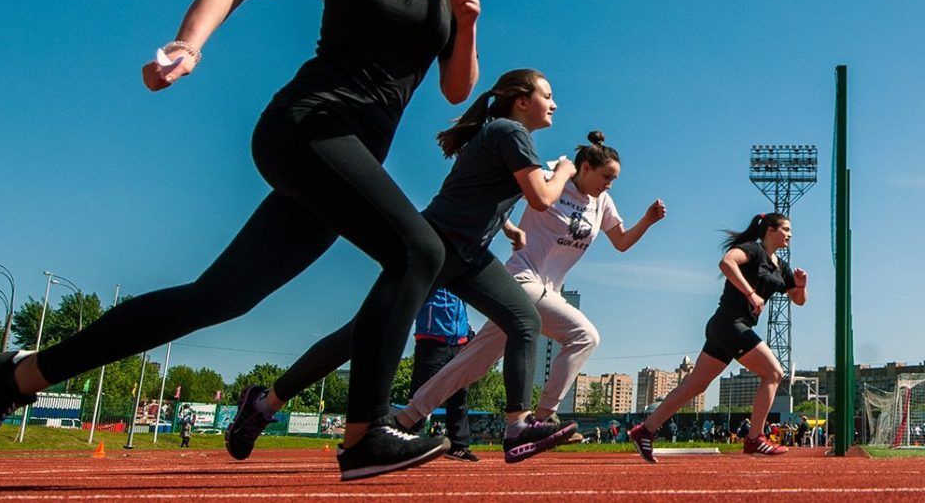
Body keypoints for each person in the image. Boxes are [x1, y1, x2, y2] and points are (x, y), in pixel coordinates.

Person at [0, 0, 484, 481]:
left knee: (218, 299)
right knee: (417, 250)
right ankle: (365, 435)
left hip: (351, 157)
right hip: (306, 128)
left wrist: (468, 24)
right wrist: (189, 45)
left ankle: (17, 377)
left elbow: (455, 90)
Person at [227, 70, 580, 471]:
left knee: (523, 321)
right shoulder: (510, 132)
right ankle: (264, 402)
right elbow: (541, 198)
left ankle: (517, 427)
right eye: (547, 95)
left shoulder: (503, 133)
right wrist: (565, 173)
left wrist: (508, 228)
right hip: (437, 246)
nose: (553, 105)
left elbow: (476, 192)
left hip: (469, 255)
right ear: (521, 100)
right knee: (358, 336)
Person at [394, 130, 664, 436]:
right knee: (584, 336)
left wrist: (647, 220)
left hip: (551, 291)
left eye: (613, 180)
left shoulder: (602, 202)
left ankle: (406, 417)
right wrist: (508, 227)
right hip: (522, 280)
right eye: (606, 176)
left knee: (474, 362)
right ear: (585, 167)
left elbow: (621, 241)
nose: (609, 185)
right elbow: (500, 198)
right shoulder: (551, 179)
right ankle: (542, 417)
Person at [628, 213, 808, 462]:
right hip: (729, 324)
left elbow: (798, 301)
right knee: (773, 372)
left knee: (695, 385)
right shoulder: (753, 251)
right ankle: (755, 438)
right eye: (786, 229)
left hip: (727, 328)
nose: (790, 234)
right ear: (770, 230)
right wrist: (750, 293)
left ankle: (645, 430)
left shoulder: (781, 266)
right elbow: (726, 263)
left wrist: (800, 286)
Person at [409, 288, 478, 462]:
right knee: (422, 393)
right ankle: (409, 439)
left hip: (460, 342)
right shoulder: (430, 275)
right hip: (432, 340)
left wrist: (468, 331)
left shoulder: (460, 279)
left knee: (460, 395)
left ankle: (458, 444)